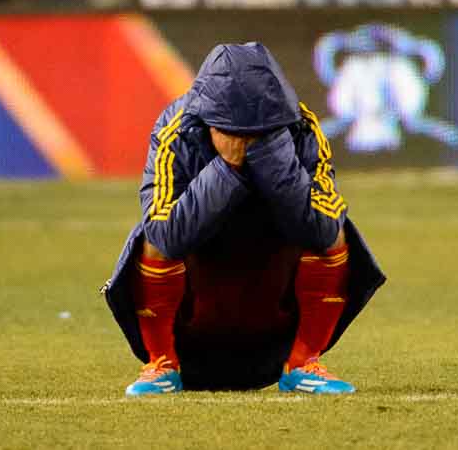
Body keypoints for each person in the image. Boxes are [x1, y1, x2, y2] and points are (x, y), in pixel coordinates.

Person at [103, 41, 385, 395]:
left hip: (272, 288)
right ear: (208, 117)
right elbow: (165, 234)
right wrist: (227, 167)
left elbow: (322, 228)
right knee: (150, 243)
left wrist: (269, 153)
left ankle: (302, 363)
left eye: (261, 128)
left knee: (338, 235)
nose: (249, 137)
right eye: (239, 130)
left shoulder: (301, 129)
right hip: (199, 292)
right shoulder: (176, 131)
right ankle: (162, 364)